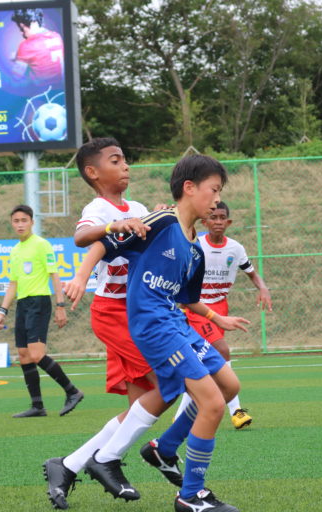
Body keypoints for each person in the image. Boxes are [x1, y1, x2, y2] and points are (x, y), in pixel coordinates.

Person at [64, 155, 250, 512]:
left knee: (229, 386)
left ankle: (163, 448)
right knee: (212, 404)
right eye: (213, 190)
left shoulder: (195, 248)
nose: (217, 200)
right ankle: (191, 496)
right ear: (189, 188)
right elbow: (103, 244)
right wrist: (81, 276)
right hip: (154, 327)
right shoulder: (160, 222)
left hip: (177, 323)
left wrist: (218, 318)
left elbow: (187, 299)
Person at [42, 137, 160, 509]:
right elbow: (81, 236)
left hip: (139, 310)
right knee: (168, 384)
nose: (125, 165)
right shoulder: (97, 208)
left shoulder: (137, 207)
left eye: (125, 159)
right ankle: (106, 460)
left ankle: (68, 465)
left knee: (139, 407)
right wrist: (114, 226)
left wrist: (158, 217)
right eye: (115, 160)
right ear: (93, 172)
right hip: (114, 313)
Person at [174, 201, 272, 429]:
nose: (218, 222)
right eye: (213, 217)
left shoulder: (235, 249)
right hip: (198, 308)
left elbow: (251, 273)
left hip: (221, 308)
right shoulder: (196, 245)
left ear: (228, 222)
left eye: (222, 218)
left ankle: (180, 416)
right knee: (222, 350)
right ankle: (236, 411)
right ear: (204, 222)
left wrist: (263, 288)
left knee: (201, 363)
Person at [0, 204, 84, 418]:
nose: (20, 224)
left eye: (24, 220)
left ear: (32, 222)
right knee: (24, 355)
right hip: (23, 304)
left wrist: (60, 306)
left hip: (39, 302)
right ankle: (37, 406)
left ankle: (72, 391)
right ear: (11, 224)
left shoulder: (42, 245)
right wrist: (2, 312)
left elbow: (55, 275)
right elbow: (13, 284)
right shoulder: (15, 251)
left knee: (36, 354)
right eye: (16, 221)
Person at [10, 8, 64, 85]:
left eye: (22, 28)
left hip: (44, 90)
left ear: (33, 23)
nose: (21, 33)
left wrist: (18, 58)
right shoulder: (57, 36)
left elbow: (16, 77)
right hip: (62, 87)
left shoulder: (26, 46)